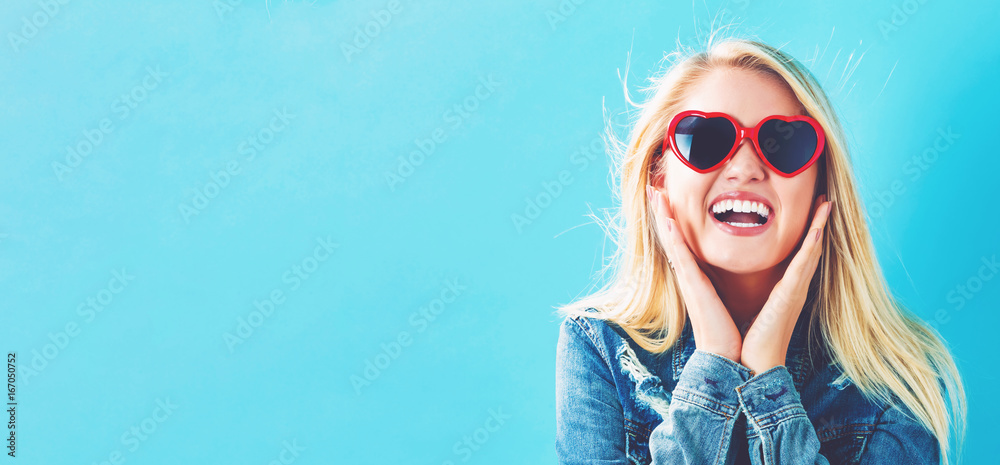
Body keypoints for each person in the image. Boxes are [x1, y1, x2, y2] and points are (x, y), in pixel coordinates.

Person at [554, 37, 965, 465]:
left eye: (783, 143)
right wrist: (713, 359)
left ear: (821, 188)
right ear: (659, 178)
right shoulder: (598, 348)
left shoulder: (897, 381)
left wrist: (768, 375)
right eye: (707, 139)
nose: (747, 168)